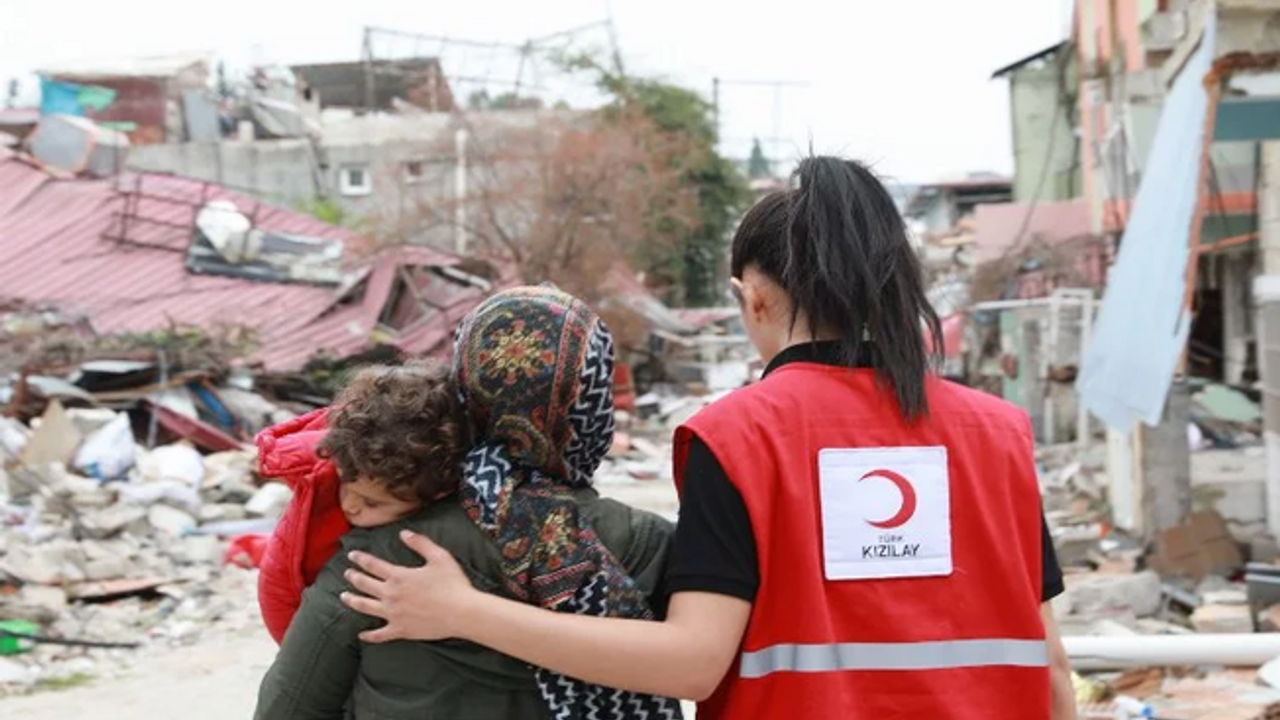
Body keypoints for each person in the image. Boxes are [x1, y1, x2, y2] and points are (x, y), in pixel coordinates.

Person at [341, 157, 1078, 720]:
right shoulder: (998, 431)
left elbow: (693, 661)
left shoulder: (739, 436)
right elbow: (1046, 663)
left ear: (751, 296)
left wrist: (460, 610)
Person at [254, 289, 679, 720]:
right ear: (594, 406)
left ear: (462, 389)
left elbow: (287, 709)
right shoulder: (647, 544)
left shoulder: (380, 555)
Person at [254, 362, 466, 644]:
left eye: (371, 503)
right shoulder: (339, 460)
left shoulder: (422, 476)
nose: (350, 506)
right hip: (293, 612)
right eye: (345, 486)